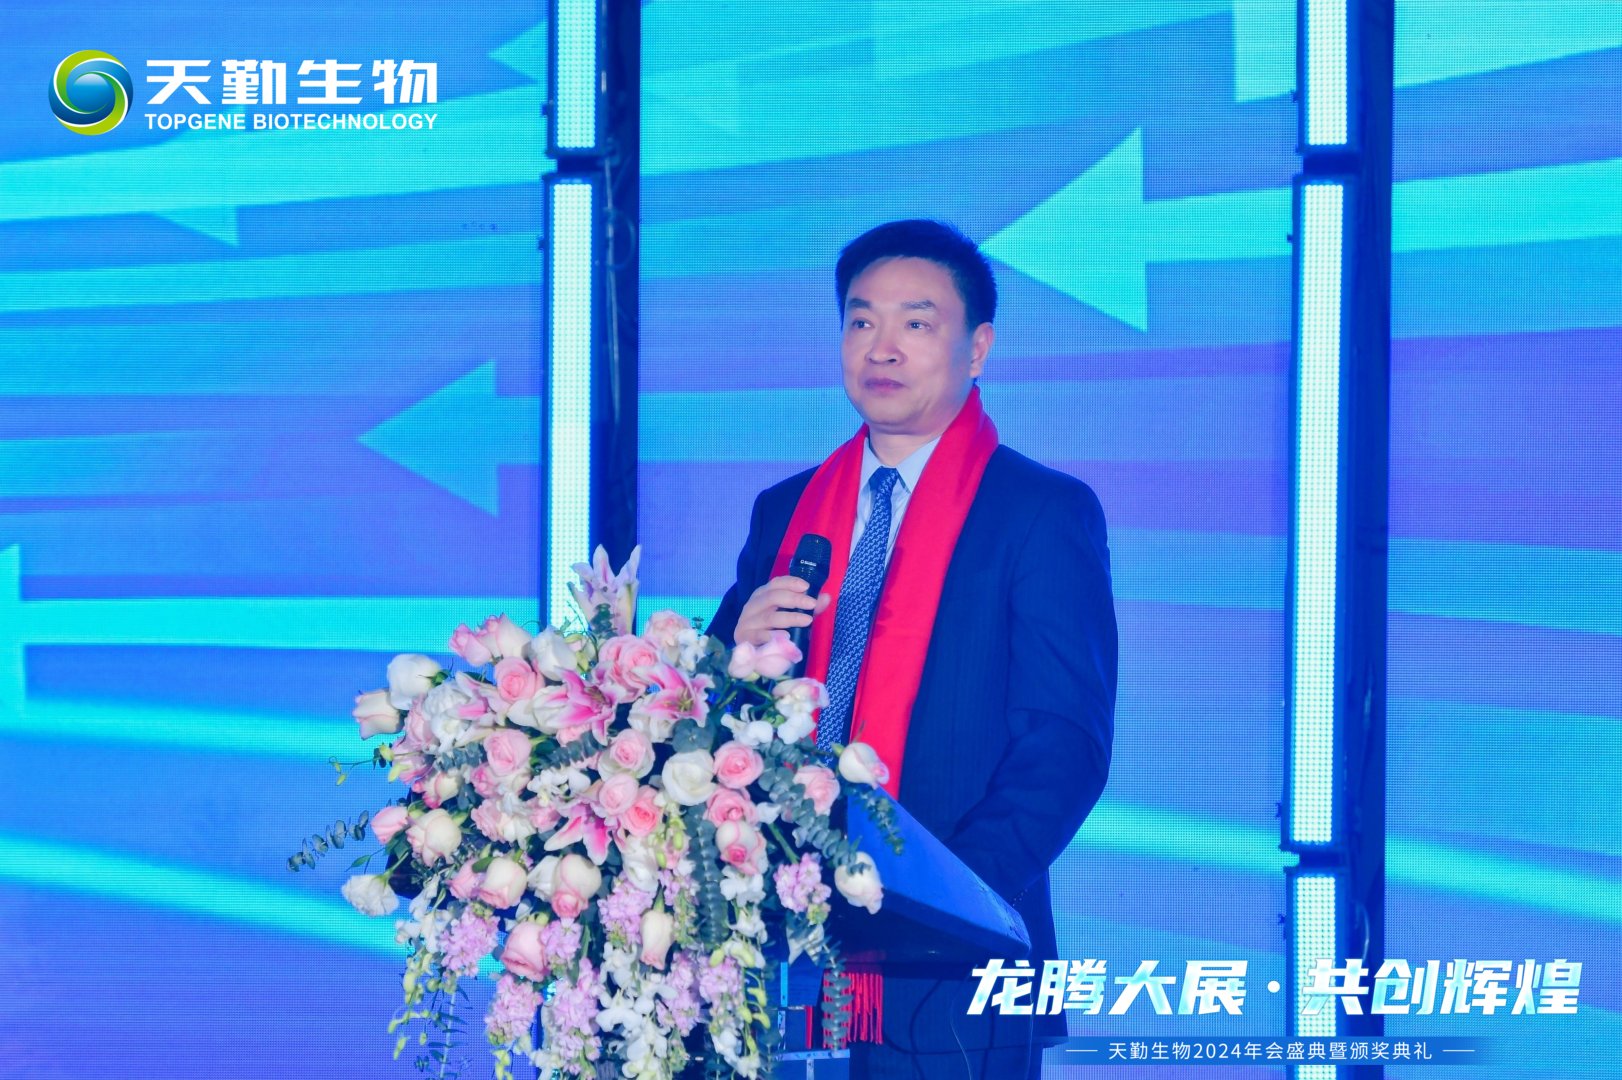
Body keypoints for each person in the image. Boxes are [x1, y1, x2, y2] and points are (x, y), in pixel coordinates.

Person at [707, 219, 1117, 1079]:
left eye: (916, 323)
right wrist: (732, 656)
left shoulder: (1039, 512)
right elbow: (708, 725)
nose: (881, 347)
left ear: (979, 348)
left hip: (953, 964)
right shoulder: (787, 511)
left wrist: (940, 904)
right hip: (778, 938)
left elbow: (1063, 745)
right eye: (861, 321)